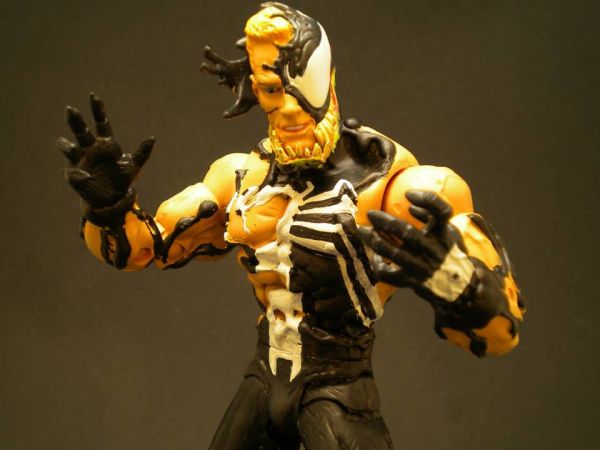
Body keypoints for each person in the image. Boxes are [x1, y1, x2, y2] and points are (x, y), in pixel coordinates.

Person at [58, 3, 525, 449]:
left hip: (338, 387)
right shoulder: (241, 177)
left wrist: (458, 283)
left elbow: (502, 330)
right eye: (272, 88)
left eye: (301, 87)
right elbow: (144, 248)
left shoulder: (397, 188)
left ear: (328, 82)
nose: (288, 109)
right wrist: (109, 209)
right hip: (264, 379)